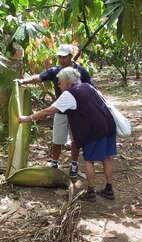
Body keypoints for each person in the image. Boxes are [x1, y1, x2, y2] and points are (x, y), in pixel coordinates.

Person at [19, 67, 116, 202]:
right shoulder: (87, 86)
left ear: (68, 81)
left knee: (89, 160)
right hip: (108, 124)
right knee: (106, 157)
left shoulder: (69, 94)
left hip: (94, 129)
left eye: (60, 82)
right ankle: (109, 189)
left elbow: (48, 111)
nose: (58, 85)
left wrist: (27, 119)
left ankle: (91, 192)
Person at [18, 44, 93, 178]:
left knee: (75, 139)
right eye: (59, 57)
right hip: (60, 111)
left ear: (70, 57)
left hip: (77, 112)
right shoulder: (55, 71)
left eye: (64, 57)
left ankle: (74, 164)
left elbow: (91, 89)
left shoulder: (81, 71)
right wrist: (23, 81)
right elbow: (39, 77)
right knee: (57, 139)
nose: (62, 60)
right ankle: (54, 163)